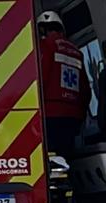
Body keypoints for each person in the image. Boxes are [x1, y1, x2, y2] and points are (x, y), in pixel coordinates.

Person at [37, 11, 89, 157]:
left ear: (42, 29)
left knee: (51, 160)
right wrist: (81, 114)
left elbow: (41, 79)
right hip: (72, 117)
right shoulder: (77, 52)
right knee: (66, 158)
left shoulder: (44, 46)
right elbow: (85, 89)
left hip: (49, 115)